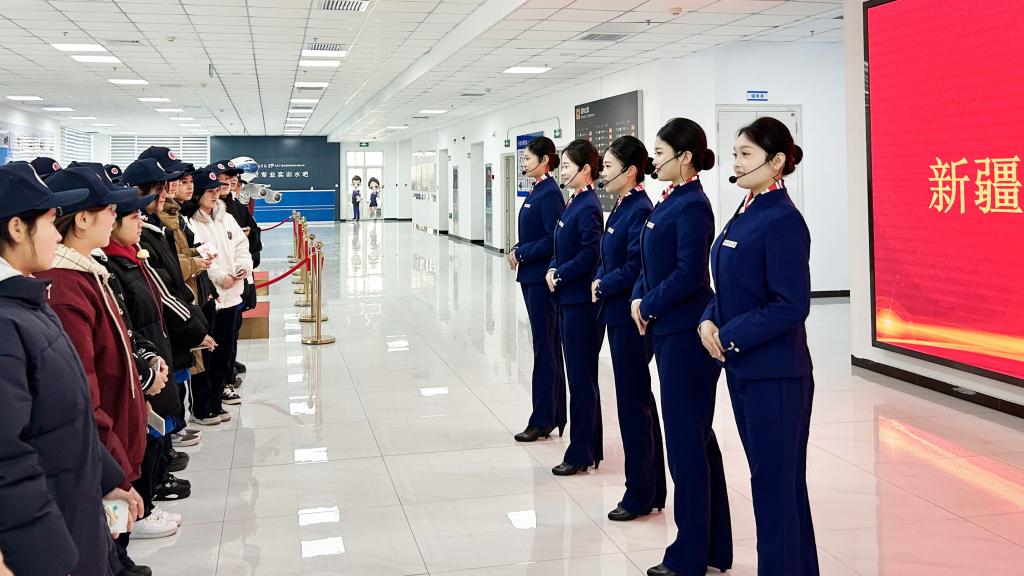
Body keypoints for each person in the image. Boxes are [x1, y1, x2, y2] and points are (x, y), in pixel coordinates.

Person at [0, 162, 141, 576]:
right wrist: (51, 557)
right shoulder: (7, 324)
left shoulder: (27, 301)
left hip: (75, 514)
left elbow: (67, 417)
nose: (58, 235)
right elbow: (9, 459)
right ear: (17, 228)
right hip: (53, 541)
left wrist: (107, 478)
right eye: (48, 222)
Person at [699, 117, 818, 576]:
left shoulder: (783, 220)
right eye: (735, 153)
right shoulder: (748, 209)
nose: (735, 162)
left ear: (777, 162)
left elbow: (791, 305)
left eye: (746, 154)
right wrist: (709, 319)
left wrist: (728, 336)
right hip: (744, 369)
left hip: (777, 375)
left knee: (775, 488)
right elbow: (731, 284)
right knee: (772, 484)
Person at [37, 166, 170, 573]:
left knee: (114, 537)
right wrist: (110, 467)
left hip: (117, 436)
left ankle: (120, 561)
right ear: (82, 219)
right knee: (103, 534)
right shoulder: (64, 286)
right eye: (110, 209)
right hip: (102, 446)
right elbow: (82, 392)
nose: (117, 217)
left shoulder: (89, 272)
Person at [631, 118, 733, 576]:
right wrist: (639, 297)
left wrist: (648, 304)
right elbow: (650, 261)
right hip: (668, 330)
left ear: (684, 156)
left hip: (686, 336)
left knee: (687, 446)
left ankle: (690, 556)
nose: (653, 160)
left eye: (659, 152)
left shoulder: (693, 205)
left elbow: (690, 274)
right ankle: (712, 548)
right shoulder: (671, 198)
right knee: (695, 440)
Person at [591, 136, 665, 519]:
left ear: (630, 171)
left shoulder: (639, 209)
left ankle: (639, 493)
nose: (602, 173)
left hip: (630, 318)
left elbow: (636, 266)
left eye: (608, 166)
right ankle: (651, 487)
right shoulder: (622, 205)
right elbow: (612, 255)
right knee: (637, 400)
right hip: (617, 315)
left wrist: (603, 284)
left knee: (634, 405)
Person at [546, 139, 604, 476]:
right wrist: (554, 266)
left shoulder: (589, 206)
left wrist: (561, 273)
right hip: (568, 299)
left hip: (582, 304)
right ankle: (589, 445)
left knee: (581, 380)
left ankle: (581, 451)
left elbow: (590, 254)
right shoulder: (574, 201)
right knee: (580, 377)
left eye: (567, 166)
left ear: (585, 170)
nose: (562, 171)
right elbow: (562, 245)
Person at [508, 136, 566, 443]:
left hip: (541, 280)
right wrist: (518, 248)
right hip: (530, 278)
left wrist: (522, 253)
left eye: (528, 158)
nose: (524, 162)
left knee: (546, 347)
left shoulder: (550, 194)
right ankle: (551, 414)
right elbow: (535, 234)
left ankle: (544, 418)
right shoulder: (538, 189)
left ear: (545, 160)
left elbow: (550, 240)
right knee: (544, 345)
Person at [188, 166, 253, 429]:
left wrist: (242, 268)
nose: (215, 195)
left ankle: (217, 401)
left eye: (217, 190)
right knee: (207, 353)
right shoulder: (191, 222)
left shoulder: (227, 218)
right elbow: (199, 253)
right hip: (209, 297)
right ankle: (202, 407)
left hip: (233, 295)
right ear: (199, 194)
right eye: (210, 191)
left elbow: (241, 245)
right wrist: (219, 276)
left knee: (225, 351)